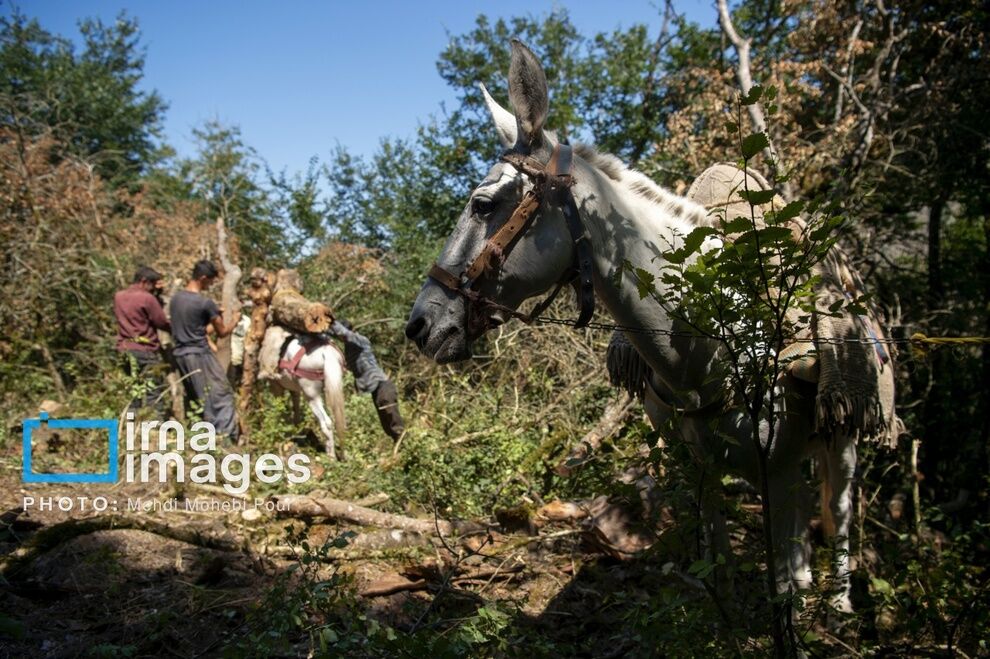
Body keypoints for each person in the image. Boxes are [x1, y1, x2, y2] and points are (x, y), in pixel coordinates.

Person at [169, 260, 238, 440]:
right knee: (222, 396)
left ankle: (199, 437)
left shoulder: (176, 299)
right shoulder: (204, 302)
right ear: (203, 278)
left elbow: (197, 329)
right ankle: (225, 440)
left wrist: (213, 315)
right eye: (210, 282)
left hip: (180, 355)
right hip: (199, 354)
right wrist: (235, 320)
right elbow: (222, 332)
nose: (211, 285)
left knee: (197, 397)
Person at [328, 318, 405, 441]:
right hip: (375, 388)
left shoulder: (360, 340)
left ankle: (402, 441)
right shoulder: (349, 349)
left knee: (391, 415)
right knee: (385, 423)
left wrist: (330, 322)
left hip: (382, 385)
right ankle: (398, 444)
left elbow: (344, 334)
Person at [113, 266, 171, 415]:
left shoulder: (119, 296)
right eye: (152, 284)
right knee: (154, 390)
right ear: (144, 281)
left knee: (134, 392)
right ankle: (155, 426)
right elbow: (161, 322)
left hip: (124, 348)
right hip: (144, 349)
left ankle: (131, 426)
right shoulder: (146, 298)